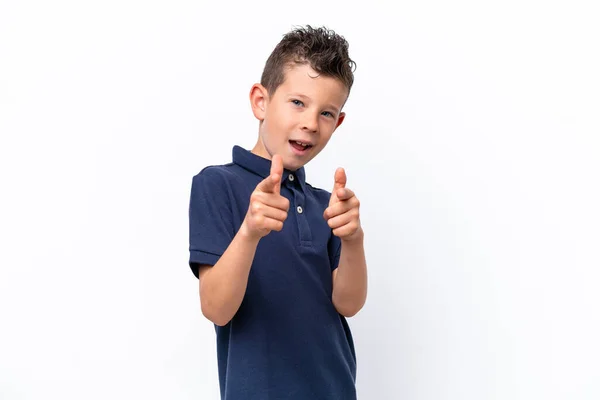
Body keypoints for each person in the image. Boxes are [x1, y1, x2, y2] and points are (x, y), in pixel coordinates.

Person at [188, 25, 368, 400]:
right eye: (298, 103)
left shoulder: (325, 204)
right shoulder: (216, 185)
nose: (310, 123)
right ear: (260, 101)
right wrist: (250, 232)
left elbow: (348, 304)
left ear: (339, 122)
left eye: (327, 113)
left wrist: (353, 239)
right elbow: (217, 309)